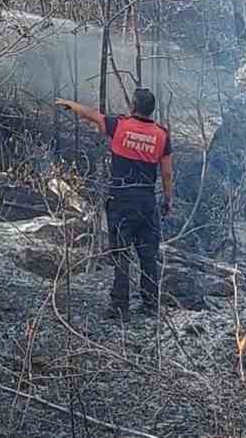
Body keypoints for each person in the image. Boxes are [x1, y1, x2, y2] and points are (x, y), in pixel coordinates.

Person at [54, 87, 174, 319]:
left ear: (133, 107)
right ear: (151, 110)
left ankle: (120, 307)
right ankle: (150, 305)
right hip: (147, 201)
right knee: (148, 255)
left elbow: (92, 114)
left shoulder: (120, 125)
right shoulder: (162, 135)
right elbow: (167, 173)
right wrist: (168, 200)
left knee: (120, 253)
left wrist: (70, 103)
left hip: (121, 200)